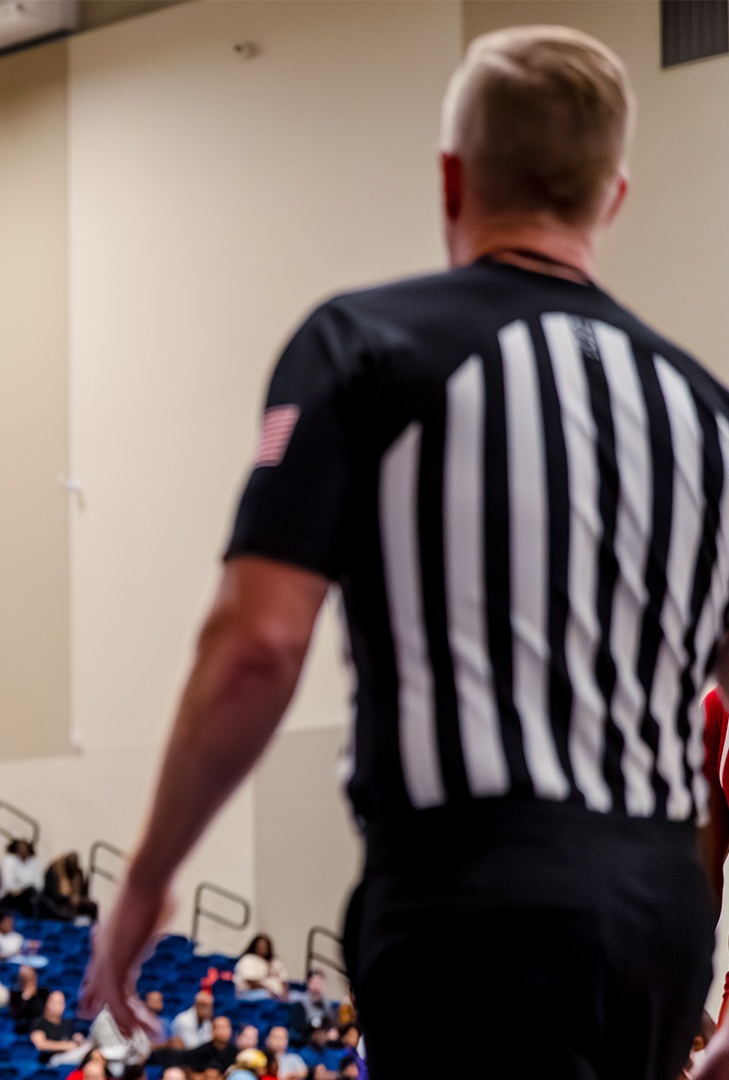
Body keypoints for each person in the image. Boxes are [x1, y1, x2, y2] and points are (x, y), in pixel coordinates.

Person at [83, 25, 718, 1080]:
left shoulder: (363, 346)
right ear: (612, 195)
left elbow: (255, 645)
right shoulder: (703, 410)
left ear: (450, 178)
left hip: (470, 899)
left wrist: (148, 875)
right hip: (662, 917)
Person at [30, 991, 91, 1066]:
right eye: (55, 1002)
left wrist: (79, 1039)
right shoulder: (39, 1022)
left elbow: (75, 1036)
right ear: (47, 1004)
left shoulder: (67, 1023)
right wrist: (65, 1046)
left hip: (70, 1056)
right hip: (51, 1060)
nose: (58, 1006)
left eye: (61, 1003)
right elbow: (40, 1044)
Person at [42, 853, 95, 921]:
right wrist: (69, 898)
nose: (72, 865)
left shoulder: (78, 872)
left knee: (92, 907)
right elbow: (52, 894)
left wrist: (78, 898)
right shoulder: (55, 871)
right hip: (57, 902)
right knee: (64, 911)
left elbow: (82, 892)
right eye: (71, 863)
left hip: (73, 902)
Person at [0, 840, 43, 918]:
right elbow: (8, 885)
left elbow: (39, 884)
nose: (23, 850)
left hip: (29, 896)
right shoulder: (9, 860)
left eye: (25, 847)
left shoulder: (33, 862)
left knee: (36, 897)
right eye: (20, 848)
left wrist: (24, 889)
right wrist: (23, 889)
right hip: (10, 898)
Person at [7, 967, 44, 1033]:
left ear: (35, 976)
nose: (26, 979)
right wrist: (25, 996)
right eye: (22, 977)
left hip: (39, 1030)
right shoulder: (13, 995)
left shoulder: (43, 993)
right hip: (18, 1031)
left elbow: (40, 1012)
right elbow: (16, 1014)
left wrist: (31, 990)